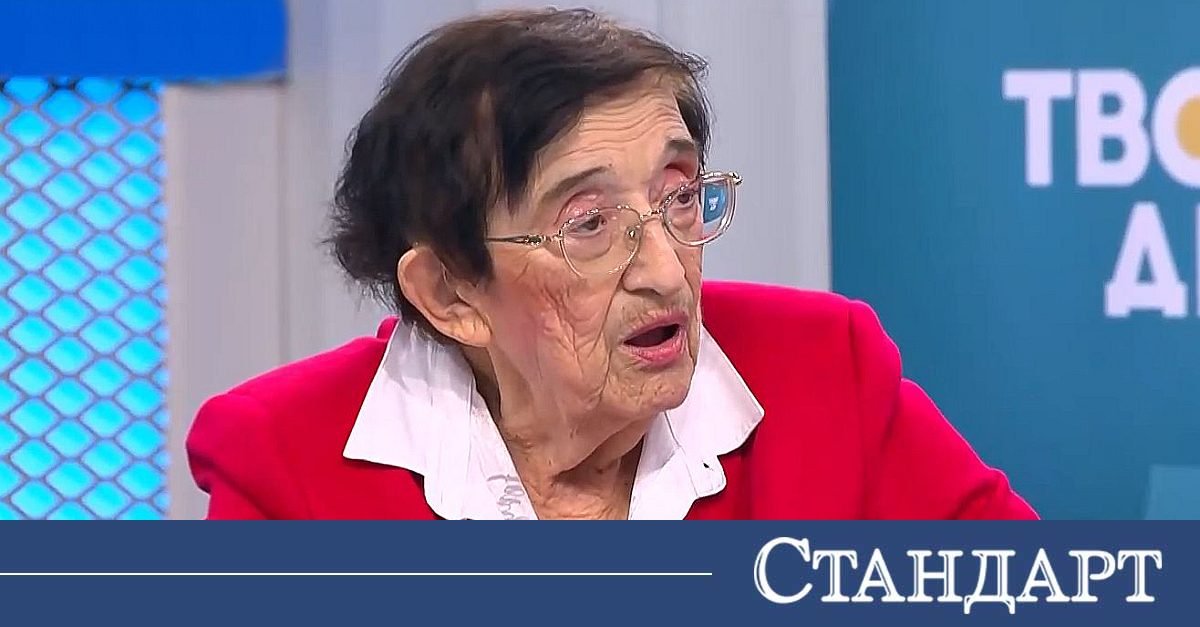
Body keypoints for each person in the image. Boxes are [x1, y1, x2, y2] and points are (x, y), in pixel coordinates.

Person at [186, 8, 1036, 520]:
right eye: (589, 224)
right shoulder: (288, 466)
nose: (666, 271)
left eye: (679, 196)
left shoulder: (824, 373)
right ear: (450, 292)